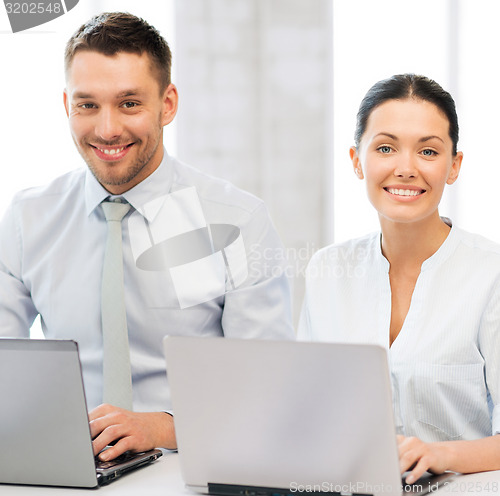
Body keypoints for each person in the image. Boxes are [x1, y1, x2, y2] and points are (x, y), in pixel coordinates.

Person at [0, 12, 294, 460]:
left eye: (129, 103)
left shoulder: (237, 221)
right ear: (67, 106)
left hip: (194, 467)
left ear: (168, 104)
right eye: (87, 105)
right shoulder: (29, 218)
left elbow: (269, 394)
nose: (107, 129)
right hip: (66, 472)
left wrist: (163, 427)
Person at [298, 74, 500, 482]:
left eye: (428, 151)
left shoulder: (490, 275)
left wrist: (438, 453)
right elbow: (308, 412)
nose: (406, 169)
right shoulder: (327, 270)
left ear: (454, 166)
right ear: (357, 160)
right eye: (386, 148)